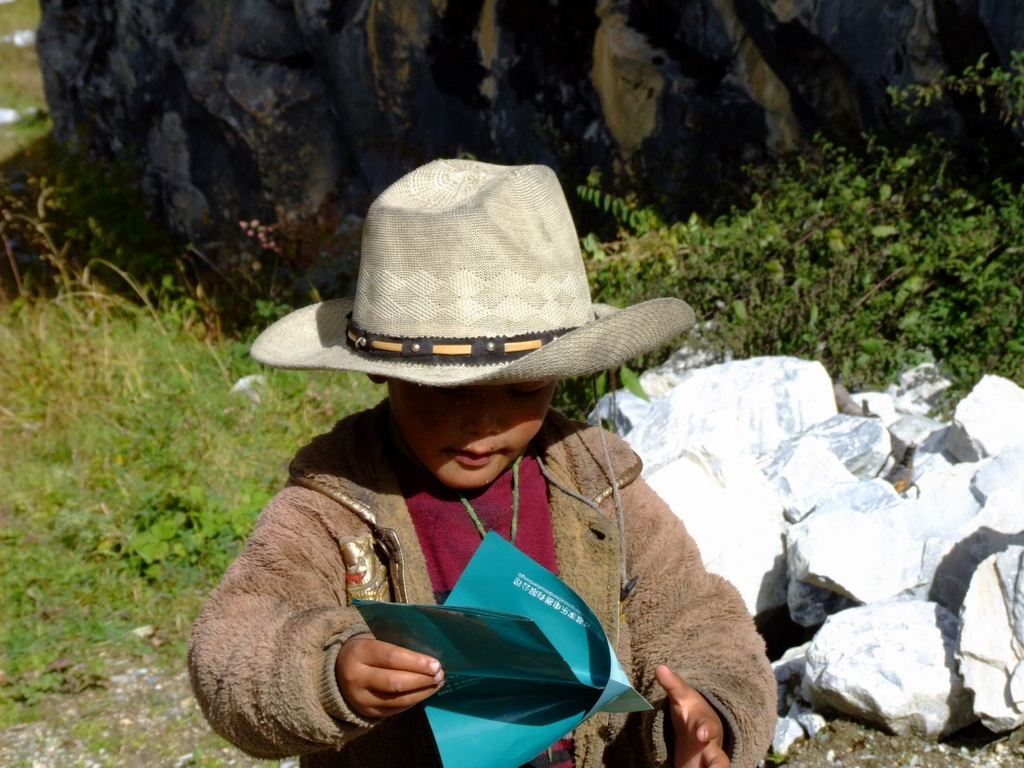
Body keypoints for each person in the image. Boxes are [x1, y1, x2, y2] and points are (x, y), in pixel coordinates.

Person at [188, 159, 776, 768]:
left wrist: (709, 715)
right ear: (382, 369)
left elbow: (696, 617)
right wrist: (327, 671)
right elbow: (233, 643)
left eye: (524, 390)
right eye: (447, 391)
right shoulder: (336, 503)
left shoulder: (597, 485)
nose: (484, 425)